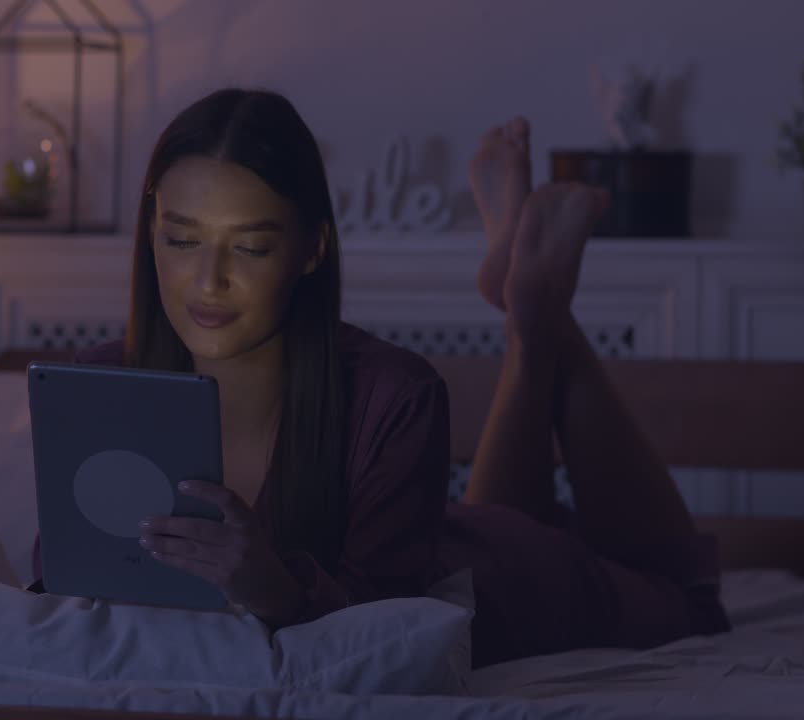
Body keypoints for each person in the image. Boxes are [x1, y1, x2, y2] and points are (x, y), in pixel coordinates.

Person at [39, 88, 729, 668]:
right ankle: (529, 306)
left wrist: (275, 588)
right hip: (447, 541)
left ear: (313, 248)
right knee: (507, 515)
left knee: (690, 600)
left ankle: (539, 316)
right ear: (149, 230)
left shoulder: (393, 395)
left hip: (511, 584)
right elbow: (57, 580)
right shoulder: (98, 384)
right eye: (181, 239)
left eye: (250, 246)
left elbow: (391, 631)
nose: (208, 280)